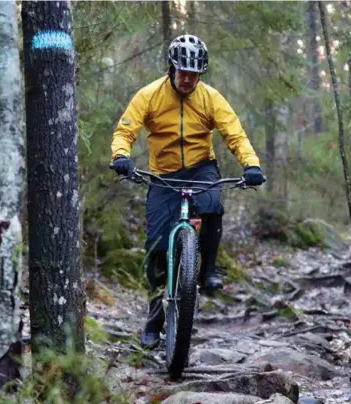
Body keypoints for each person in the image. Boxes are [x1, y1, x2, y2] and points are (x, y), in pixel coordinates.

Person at [109, 34, 266, 348]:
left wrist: (251, 165)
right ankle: (154, 320)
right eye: (183, 73)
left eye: (194, 75)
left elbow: (234, 134)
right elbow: (126, 129)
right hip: (164, 174)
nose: (187, 80)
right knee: (155, 250)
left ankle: (207, 270)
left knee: (212, 206)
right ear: (172, 68)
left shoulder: (211, 98)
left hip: (201, 167)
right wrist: (121, 156)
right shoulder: (150, 95)